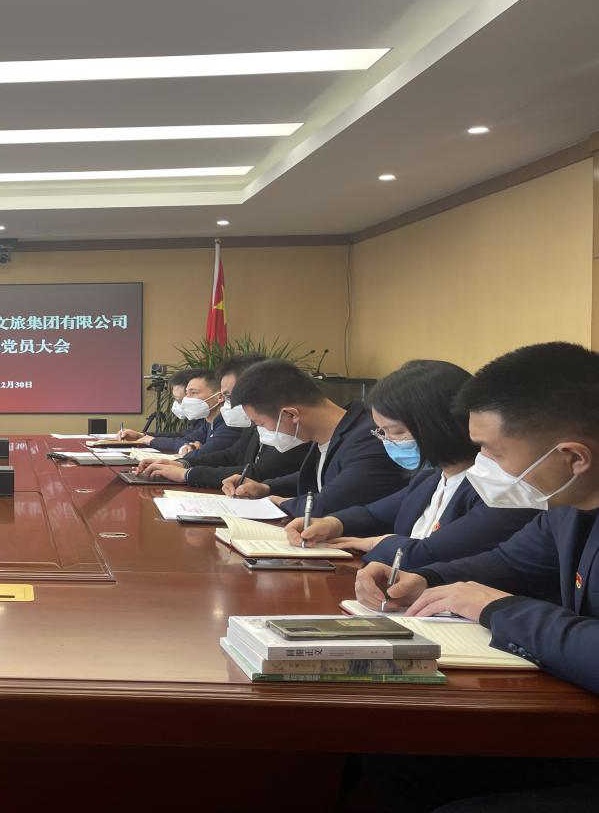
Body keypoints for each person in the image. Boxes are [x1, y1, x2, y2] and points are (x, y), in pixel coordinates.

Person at [355, 342, 599, 811]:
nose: (481, 465)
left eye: (492, 451)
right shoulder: (567, 505)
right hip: (579, 718)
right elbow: (511, 562)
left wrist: (497, 608)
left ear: (573, 457)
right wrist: (425, 578)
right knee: (394, 755)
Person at [284, 360, 534, 565]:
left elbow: (428, 553)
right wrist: (331, 524)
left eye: (396, 432)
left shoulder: (497, 490)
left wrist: (378, 543)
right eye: (381, 432)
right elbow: (373, 514)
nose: (388, 441)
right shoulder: (431, 477)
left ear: (439, 426)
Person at [222, 358, 408, 517]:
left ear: (291, 414)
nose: (260, 431)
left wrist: (275, 502)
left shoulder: (370, 439)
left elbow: (328, 503)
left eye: (260, 424)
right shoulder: (329, 432)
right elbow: (317, 477)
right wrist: (266, 488)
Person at [135, 354, 305, 486]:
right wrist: (183, 464)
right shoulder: (253, 424)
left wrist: (187, 474)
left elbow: (259, 473)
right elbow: (231, 455)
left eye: (231, 396)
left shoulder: (289, 425)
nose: (228, 402)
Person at [117, 369, 211, 451]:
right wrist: (141, 435)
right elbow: (183, 436)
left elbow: (185, 441)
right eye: (176, 400)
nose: (179, 404)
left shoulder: (214, 420)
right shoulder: (203, 419)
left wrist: (152, 440)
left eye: (179, 400)